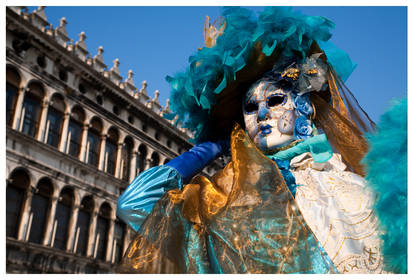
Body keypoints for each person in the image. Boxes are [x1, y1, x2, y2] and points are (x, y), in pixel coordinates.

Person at [116, 7, 404, 274]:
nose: (263, 113)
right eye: (250, 109)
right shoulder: (226, 203)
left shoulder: (364, 191)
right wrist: (210, 148)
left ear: (305, 107)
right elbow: (135, 203)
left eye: (276, 100)